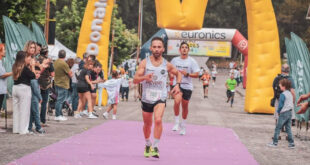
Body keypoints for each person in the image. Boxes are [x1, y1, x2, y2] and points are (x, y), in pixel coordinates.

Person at [133, 37, 181, 158]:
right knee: (147, 124)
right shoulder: (144, 62)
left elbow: (178, 73)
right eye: (154, 47)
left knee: (158, 119)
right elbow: (135, 80)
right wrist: (144, 78)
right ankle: (148, 144)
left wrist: (177, 85)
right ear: (151, 48)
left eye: (159, 47)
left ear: (163, 49)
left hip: (161, 96)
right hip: (146, 98)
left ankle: (155, 146)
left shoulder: (167, 64)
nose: (156, 49)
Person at [171, 41, 200, 135]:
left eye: (186, 47)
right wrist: (171, 75)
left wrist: (187, 74)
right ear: (179, 50)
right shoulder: (175, 60)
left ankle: (183, 125)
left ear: (188, 50)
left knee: (185, 106)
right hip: (177, 85)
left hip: (187, 86)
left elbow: (197, 74)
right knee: (176, 101)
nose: (184, 49)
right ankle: (176, 122)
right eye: (182, 47)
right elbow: (170, 70)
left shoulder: (192, 61)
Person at [12, 51, 35, 134]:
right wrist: (32, 66)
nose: (28, 58)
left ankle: (16, 129)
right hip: (24, 88)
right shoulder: (25, 68)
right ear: (23, 58)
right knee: (24, 110)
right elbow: (33, 76)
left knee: (16, 110)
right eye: (27, 57)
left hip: (15, 88)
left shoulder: (14, 66)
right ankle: (23, 130)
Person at [268, 79, 295, 148]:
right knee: (288, 128)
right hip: (289, 112)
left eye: (280, 85)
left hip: (283, 113)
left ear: (284, 86)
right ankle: (291, 143)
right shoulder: (289, 94)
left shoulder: (282, 94)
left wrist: (278, 111)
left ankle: (275, 142)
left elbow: (280, 105)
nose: (279, 86)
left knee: (278, 128)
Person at [37, 45, 54, 126]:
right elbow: (52, 74)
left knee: (36, 102)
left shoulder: (37, 59)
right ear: (46, 52)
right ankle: (42, 121)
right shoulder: (48, 61)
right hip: (45, 84)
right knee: (44, 103)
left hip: (37, 82)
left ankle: (34, 120)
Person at [53, 50, 72, 121]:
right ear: (65, 56)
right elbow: (70, 74)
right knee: (60, 100)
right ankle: (58, 115)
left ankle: (60, 114)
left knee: (58, 100)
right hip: (63, 84)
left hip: (56, 83)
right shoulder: (64, 63)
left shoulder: (55, 62)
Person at [28, 66, 45, 134]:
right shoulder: (34, 81)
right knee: (36, 113)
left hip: (33, 98)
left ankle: (29, 127)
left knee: (32, 114)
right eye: (36, 73)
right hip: (34, 99)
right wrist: (40, 97)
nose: (37, 75)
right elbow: (36, 91)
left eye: (39, 73)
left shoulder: (33, 81)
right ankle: (38, 127)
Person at [0, 44, 12, 132]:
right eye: (3, 50)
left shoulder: (1, 62)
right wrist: (12, 72)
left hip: (2, 89)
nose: (5, 51)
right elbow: (2, 75)